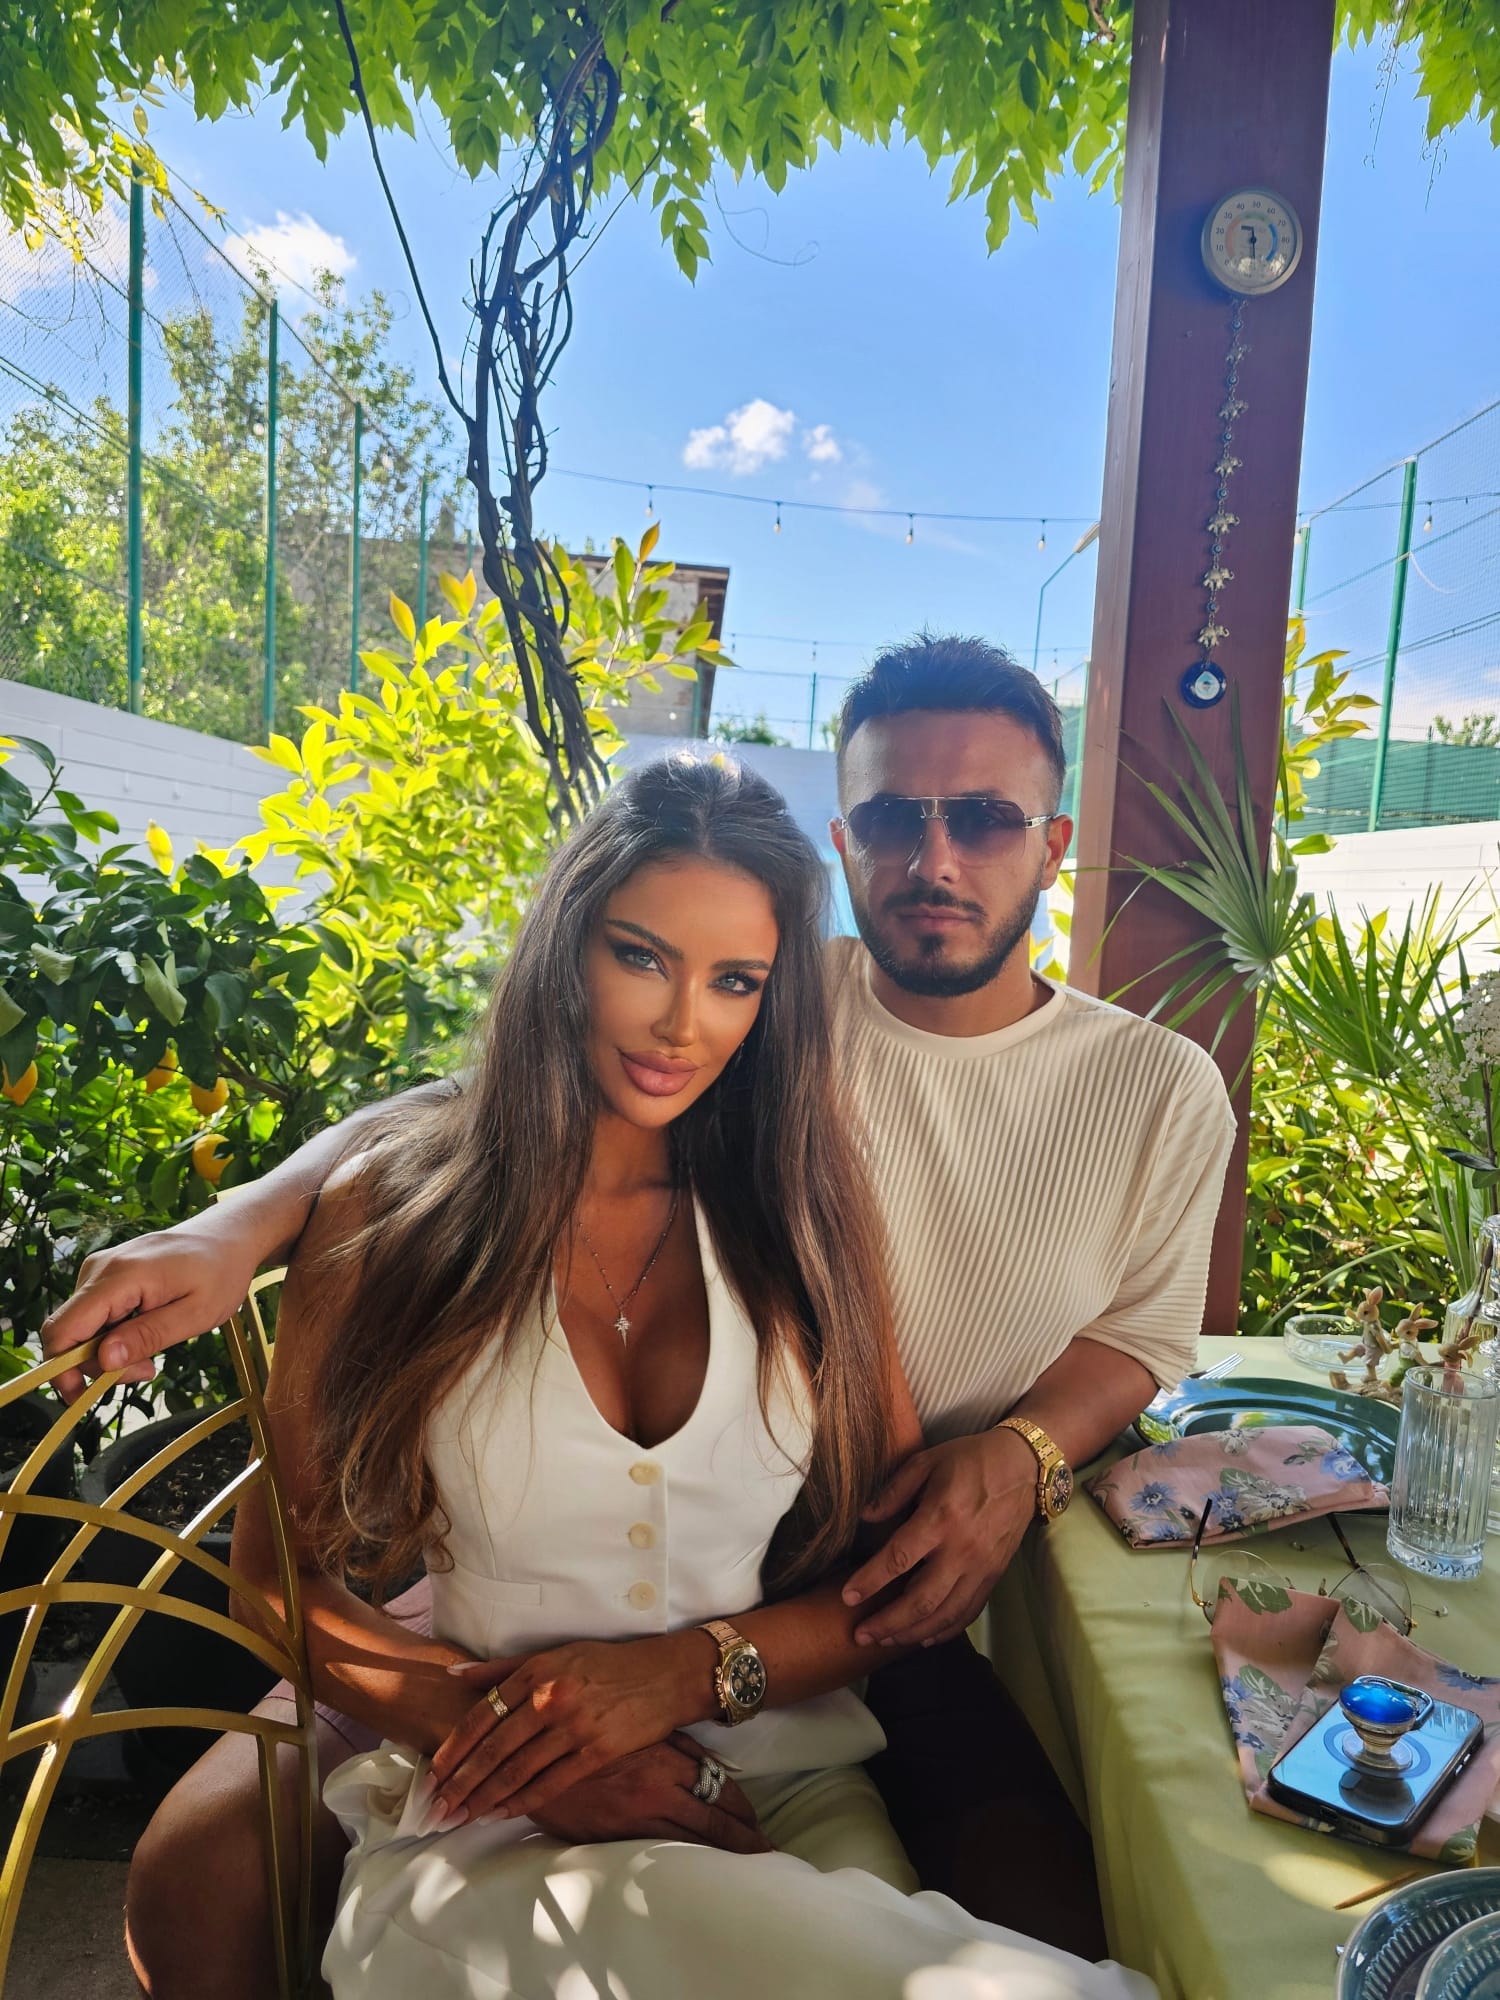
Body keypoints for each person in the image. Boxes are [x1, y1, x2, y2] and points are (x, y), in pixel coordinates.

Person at [44, 635, 1234, 1995]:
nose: (938, 858)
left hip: (799, 1682)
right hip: (496, 1763)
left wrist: (1015, 1461)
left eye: (985, 818)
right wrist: (247, 1217)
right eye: (898, 816)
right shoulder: (773, 1006)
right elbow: (450, 1122)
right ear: (845, 838)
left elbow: (1136, 1341)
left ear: (1053, 840)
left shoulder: (818, 1177)